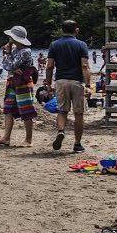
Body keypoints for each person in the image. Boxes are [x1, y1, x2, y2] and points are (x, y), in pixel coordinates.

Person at [44, 20, 90, 153]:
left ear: (62, 30)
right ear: (76, 30)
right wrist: (87, 85)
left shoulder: (54, 45)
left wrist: (48, 83)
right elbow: (84, 66)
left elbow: (50, 66)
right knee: (78, 114)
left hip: (61, 81)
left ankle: (61, 131)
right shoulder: (81, 45)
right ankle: (77, 144)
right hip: (77, 82)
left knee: (62, 111)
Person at [0, 26, 36, 147]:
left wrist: (8, 55)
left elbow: (9, 65)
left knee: (26, 110)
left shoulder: (25, 51)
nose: (9, 38)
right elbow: (6, 65)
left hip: (23, 83)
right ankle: (6, 138)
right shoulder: (15, 50)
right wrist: (13, 66)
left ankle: (28, 140)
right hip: (12, 82)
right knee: (8, 109)